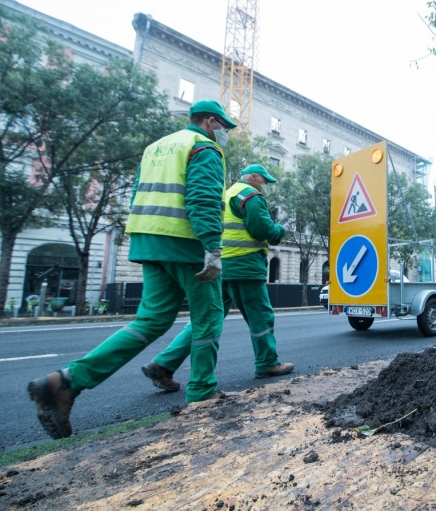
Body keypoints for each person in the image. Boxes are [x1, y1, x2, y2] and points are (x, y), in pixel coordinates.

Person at [27, 100, 236, 439]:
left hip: (147, 240)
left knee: (150, 320)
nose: (225, 133)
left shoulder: (156, 148)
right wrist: (212, 247)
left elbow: (139, 193)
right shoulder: (204, 147)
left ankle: (67, 381)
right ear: (211, 122)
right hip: (186, 244)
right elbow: (204, 198)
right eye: (224, 126)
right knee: (209, 317)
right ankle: (202, 394)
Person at [142, 165, 294, 391]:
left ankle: (163, 364)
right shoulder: (250, 195)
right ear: (253, 177)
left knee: (207, 321)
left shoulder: (227, 193)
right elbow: (263, 230)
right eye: (265, 180)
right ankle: (267, 363)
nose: (266, 185)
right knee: (260, 316)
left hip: (222, 266)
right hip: (245, 265)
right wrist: (281, 229)